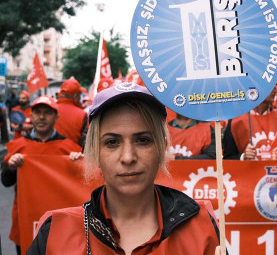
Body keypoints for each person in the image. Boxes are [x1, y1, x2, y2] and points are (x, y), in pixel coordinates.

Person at [28, 82, 221, 254]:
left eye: (143, 140)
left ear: (162, 147)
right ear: (95, 150)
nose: (128, 157)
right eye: (112, 142)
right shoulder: (54, 232)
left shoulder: (202, 226)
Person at [1, 95, 81, 255]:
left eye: (47, 113)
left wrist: (80, 163)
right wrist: (10, 167)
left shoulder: (70, 149)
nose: (42, 117)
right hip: (26, 217)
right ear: (31, 116)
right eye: (37, 113)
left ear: (56, 117)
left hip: (59, 221)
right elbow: (6, 181)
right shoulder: (18, 147)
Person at [223, 87, 277, 162]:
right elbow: (227, 159)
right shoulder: (236, 121)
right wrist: (243, 157)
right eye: (271, 87)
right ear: (255, 90)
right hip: (251, 172)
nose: (275, 91)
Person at [54, 78, 89, 147]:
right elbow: (85, 143)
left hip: (48, 154)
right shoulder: (82, 115)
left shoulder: (50, 109)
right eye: (79, 95)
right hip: (73, 156)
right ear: (76, 96)